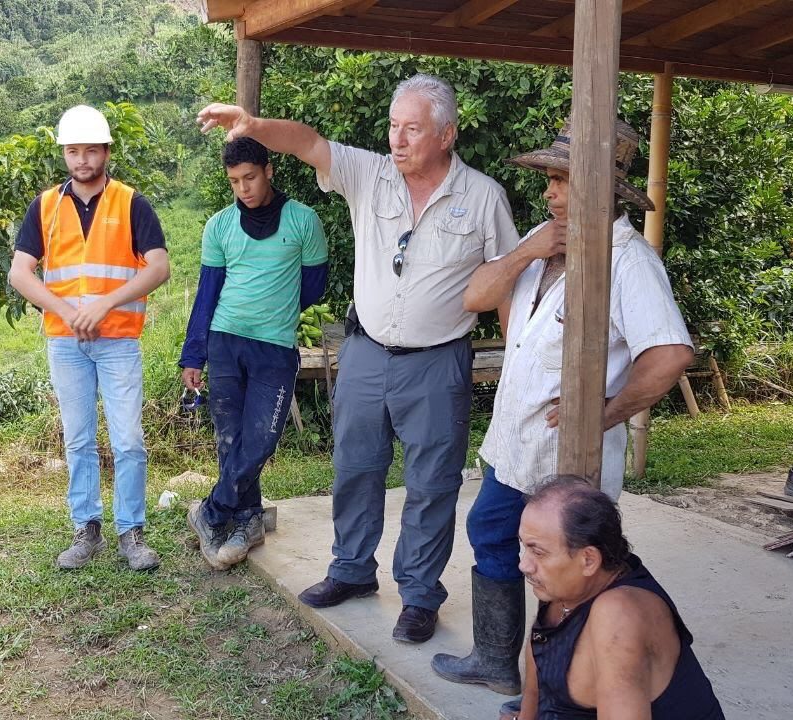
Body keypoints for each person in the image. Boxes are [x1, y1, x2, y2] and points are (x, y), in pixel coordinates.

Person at [198, 74, 519, 642]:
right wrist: (255, 128)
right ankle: (351, 570)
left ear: (447, 134)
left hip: (438, 360)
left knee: (431, 483)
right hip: (366, 353)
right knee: (354, 469)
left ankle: (419, 595)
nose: (397, 139)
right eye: (394, 126)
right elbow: (309, 143)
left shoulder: (483, 198)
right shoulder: (371, 176)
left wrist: (517, 365)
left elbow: (506, 284)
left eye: (412, 128)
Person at [431, 118, 695, 697]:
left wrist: (603, 413)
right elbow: (475, 297)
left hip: (567, 455)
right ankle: (499, 661)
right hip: (515, 442)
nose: (549, 192)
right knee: (493, 531)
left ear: (599, 190)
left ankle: (557, 688)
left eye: (562, 181)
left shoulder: (628, 261)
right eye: (549, 180)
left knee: (570, 574)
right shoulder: (542, 240)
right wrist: (527, 250)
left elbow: (671, 354)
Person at [8, 105, 170, 571]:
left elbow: (158, 266)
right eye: (73, 150)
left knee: (128, 440)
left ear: (106, 152)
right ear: (65, 153)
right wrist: (65, 310)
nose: (82, 159)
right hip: (65, 341)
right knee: (77, 439)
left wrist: (104, 304)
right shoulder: (45, 207)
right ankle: (86, 528)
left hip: (118, 338)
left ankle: (131, 532)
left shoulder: (131, 202)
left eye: (90, 150)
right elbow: (22, 272)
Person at [180, 138, 328, 570]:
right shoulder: (219, 226)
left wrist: (273, 310)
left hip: (275, 348)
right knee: (231, 442)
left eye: (249, 177)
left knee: (261, 440)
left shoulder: (304, 221)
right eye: (234, 181)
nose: (243, 188)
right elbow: (207, 295)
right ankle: (246, 520)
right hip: (225, 342)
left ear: (269, 171)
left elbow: (312, 288)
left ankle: (211, 509)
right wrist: (194, 356)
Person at [508, 476, 725, 719]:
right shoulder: (564, 583)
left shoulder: (619, 615)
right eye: (524, 547)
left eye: (537, 551)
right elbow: (537, 689)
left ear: (589, 560)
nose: (524, 565)